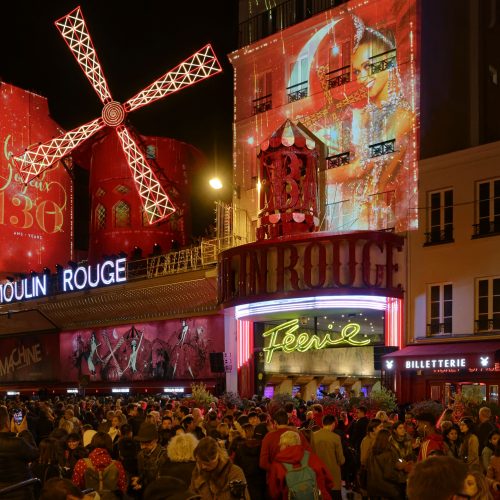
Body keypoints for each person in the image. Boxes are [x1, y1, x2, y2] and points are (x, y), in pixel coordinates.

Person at [268, 430, 333, 500]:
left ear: (285, 445)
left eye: (280, 445)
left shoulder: (277, 465)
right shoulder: (312, 458)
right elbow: (329, 482)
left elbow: (274, 493)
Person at [0, 405, 39, 500]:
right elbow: (34, 454)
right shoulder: (17, 443)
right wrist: (24, 431)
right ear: (6, 423)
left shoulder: (15, 441)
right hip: (20, 491)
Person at [72, 432, 126, 497]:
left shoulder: (82, 463)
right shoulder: (117, 465)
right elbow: (122, 489)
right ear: (110, 445)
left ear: (92, 443)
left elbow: (75, 489)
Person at [311, 414, 345, 500]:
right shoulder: (336, 438)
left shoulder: (313, 436)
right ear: (333, 423)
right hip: (333, 476)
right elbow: (341, 460)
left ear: (323, 423)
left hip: (319, 474)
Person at [366, 429, 404, 500]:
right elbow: (388, 474)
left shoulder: (371, 452)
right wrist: (400, 477)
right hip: (386, 490)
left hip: (373, 489)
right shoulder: (388, 453)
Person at [133, 422, 168, 492]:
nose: (142, 447)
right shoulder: (141, 455)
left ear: (156, 440)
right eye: (141, 443)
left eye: (146, 443)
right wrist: (139, 480)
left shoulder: (164, 456)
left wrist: (143, 485)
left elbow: (162, 482)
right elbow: (142, 473)